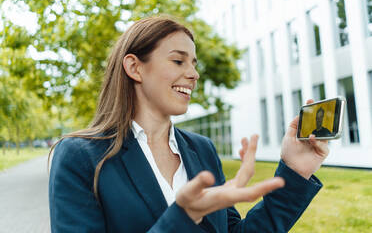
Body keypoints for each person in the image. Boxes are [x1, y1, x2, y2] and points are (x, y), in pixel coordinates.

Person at [48, 16, 329, 232]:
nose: (193, 74)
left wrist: (295, 171)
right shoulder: (79, 156)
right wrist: (183, 217)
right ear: (135, 67)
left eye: (193, 64)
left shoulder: (202, 149)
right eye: (178, 61)